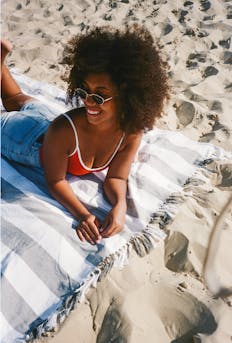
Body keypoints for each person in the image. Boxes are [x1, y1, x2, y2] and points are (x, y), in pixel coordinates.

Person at [1, 25, 169, 245]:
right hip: (23, 139)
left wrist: (120, 205)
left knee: (17, 98)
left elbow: (117, 177)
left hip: (48, 121)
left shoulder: (131, 133)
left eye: (99, 96)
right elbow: (55, 180)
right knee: (15, 103)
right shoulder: (64, 130)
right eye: (83, 91)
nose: (88, 101)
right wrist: (82, 214)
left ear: (128, 97)